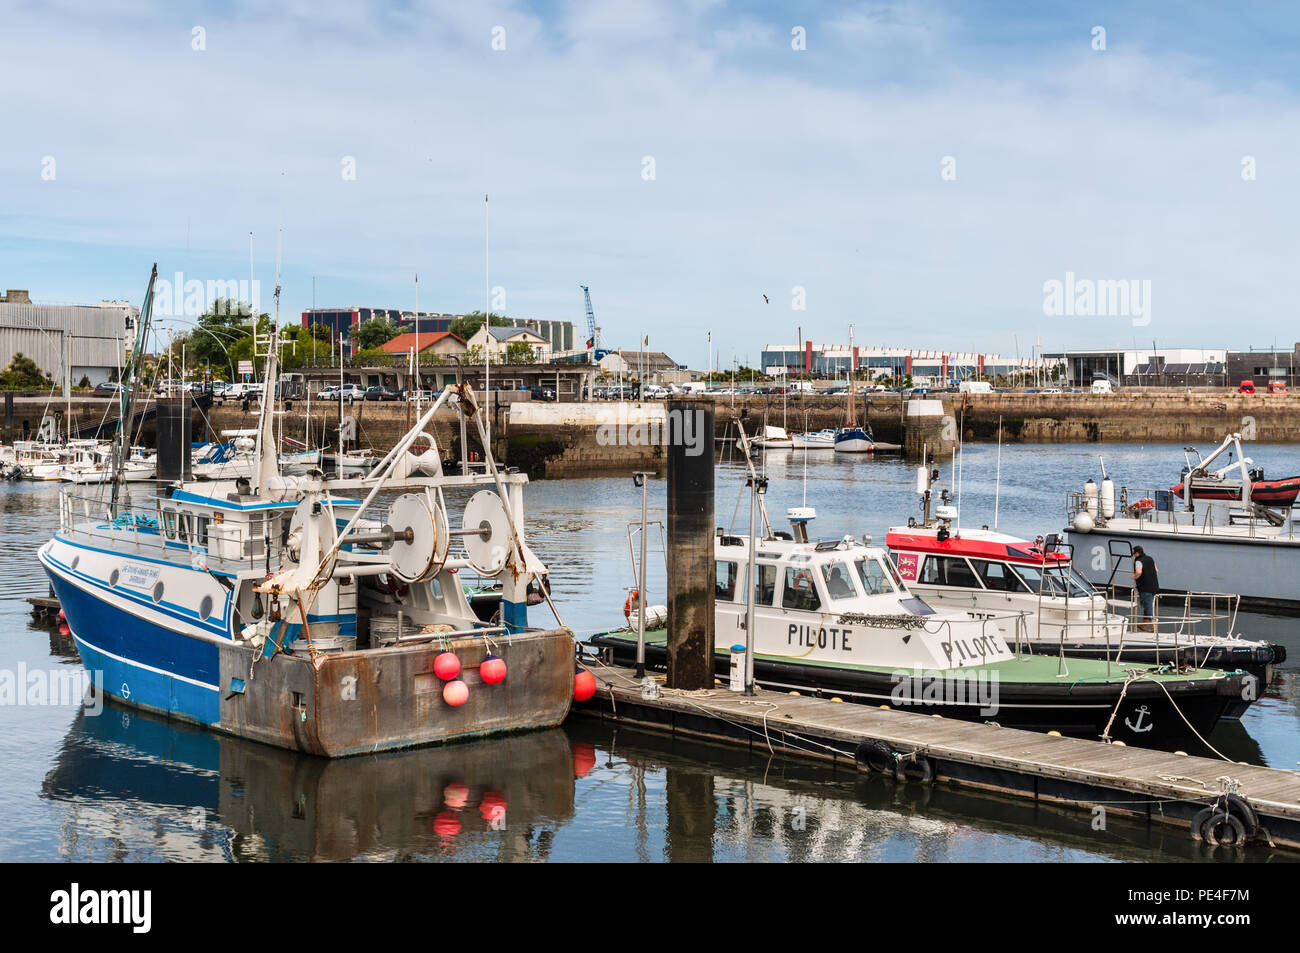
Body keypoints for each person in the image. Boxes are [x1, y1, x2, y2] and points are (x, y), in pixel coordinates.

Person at [1131, 545, 1160, 632]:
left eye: (1133, 553)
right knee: (1147, 605)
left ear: (1136, 553)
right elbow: (1156, 570)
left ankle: (1154, 628)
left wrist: (1134, 576)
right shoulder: (1150, 558)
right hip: (1154, 586)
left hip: (1145, 587)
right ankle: (1143, 625)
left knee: (1148, 607)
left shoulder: (1138, 561)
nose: (1133, 555)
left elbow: (1139, 572)